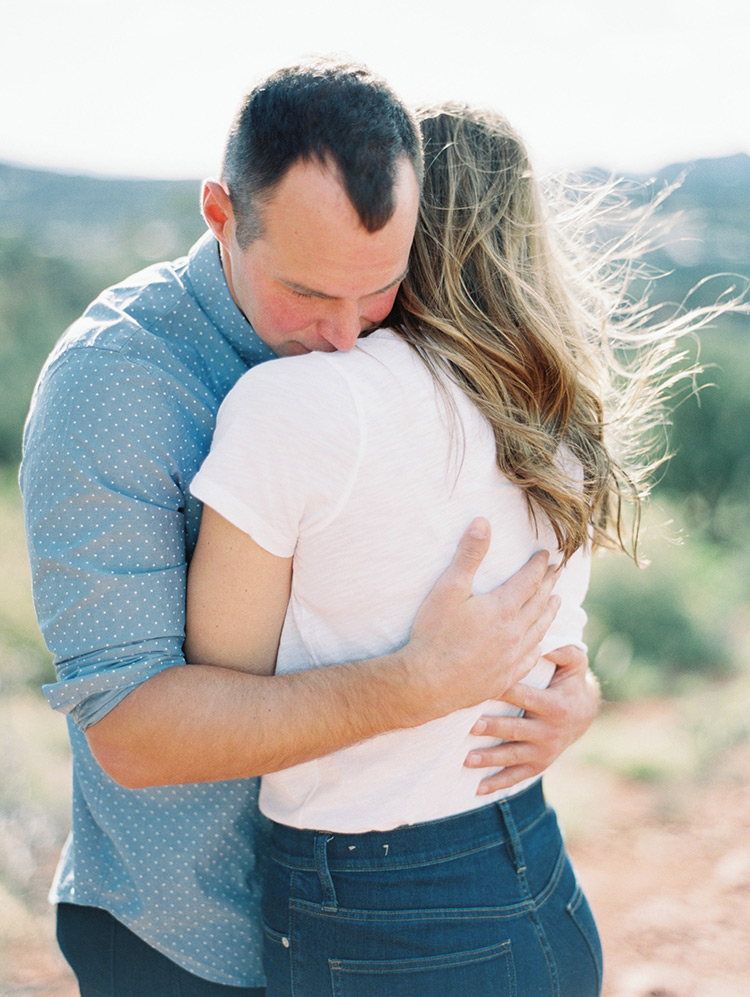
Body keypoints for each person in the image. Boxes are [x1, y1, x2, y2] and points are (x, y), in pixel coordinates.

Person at [20, 63, 599, 996]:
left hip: (373, 924)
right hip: (185, 933)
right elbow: (131, 733)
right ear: (221, 215)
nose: (344, 333)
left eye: (378, 289)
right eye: (306, 292)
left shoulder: (386, 359)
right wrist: (414, 686)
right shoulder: (113, 388)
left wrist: (562, 688)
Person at [184, 103, 700, 996]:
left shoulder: (296, 405)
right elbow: (559, 659)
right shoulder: (555, 417)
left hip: (379, 912)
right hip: (538, 876)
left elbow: (214, 702)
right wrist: (581, 700)